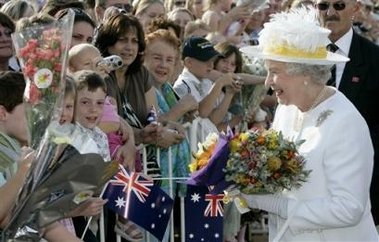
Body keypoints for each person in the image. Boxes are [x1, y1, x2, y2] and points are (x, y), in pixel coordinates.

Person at [239, 7, 378, 241]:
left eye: (274, 72)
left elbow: (349, 208)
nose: (267, 82)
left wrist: (280, 206)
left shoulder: (345, 122)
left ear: (303, 74)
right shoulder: (285, 109)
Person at [315, 0, 379, 228]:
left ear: (356, 8)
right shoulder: (300, 54)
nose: (330, 12)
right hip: (306, 181)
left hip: (358, 183)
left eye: (339, 5)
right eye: (323, 6)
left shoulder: (374, 58)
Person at [0, 71, 82, 242]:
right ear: (2, 113)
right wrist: (23, 171)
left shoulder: (22, 149)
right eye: (30, 111)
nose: (39, 118)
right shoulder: (7, 156)